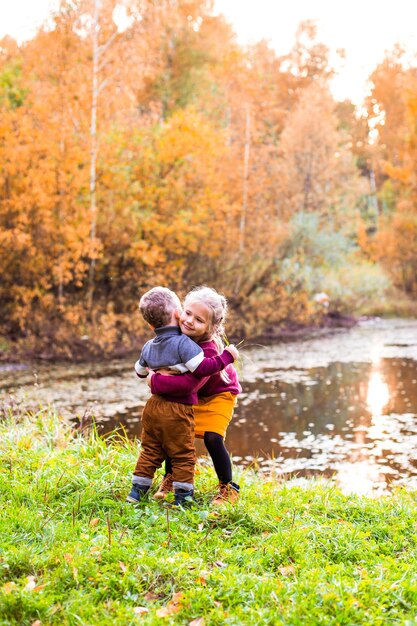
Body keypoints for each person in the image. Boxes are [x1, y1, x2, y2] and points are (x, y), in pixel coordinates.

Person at [126, 286, 239, 506]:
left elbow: (189, 386)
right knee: (174, 430)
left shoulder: (209, 349)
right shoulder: (176, 335)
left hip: (218, 394)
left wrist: (154, 380)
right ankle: (172, 478)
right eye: (187, 313)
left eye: (199, 320)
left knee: (212, 437)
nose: (189, 321)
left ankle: (228, 487)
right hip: (192, 397)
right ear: (179, 311)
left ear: (212, 326)